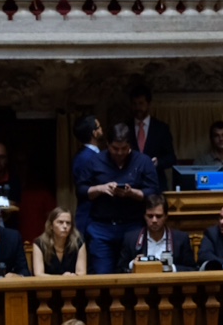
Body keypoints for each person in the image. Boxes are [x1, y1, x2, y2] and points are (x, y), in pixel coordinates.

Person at [76, 123, 159, 275]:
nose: (119, 153)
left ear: (130, 146)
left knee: (137, 274)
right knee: (102, 276)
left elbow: (154, 192)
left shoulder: (143, 161)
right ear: (108, 144)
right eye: (115, 149)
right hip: (102, 228)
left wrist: (132, 193)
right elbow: (81, 190)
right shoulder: (95, 161)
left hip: (133, 227)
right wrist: (100, 189)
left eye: (124, 149)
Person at [117, 195, 196, 272]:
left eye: (158, 216)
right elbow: (119, 270)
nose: (154, 220)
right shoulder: (131, 239)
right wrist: (133, 264)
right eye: (150, 216)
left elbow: (192, 269)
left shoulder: (181, 239)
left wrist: (170, 268)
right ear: (144, 216)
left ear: (166, 216)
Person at [129, 83, 176, 184]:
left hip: (155, 182)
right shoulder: (126, 128)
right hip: (131, 183)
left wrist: (158, 162)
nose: (137, 108)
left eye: (141, 103)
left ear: (148, 104)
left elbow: (171, 158)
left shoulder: (161, 128)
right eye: (134, 104)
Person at [71, 115, 104, 237]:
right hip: (89, 218)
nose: (102, 129)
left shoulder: (90, 154)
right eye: (99, 127)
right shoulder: (85, 158)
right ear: (94, 133)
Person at [32, 207, 87, 276]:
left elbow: (82, 273)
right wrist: (62, 278)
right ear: (51, 225)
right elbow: (38, 274)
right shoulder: (39, 243)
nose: (65, 226)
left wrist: (73, 277)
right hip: (47, 286)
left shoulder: (79, 242)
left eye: (68, 223)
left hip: (72, 285)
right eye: (60, 222)